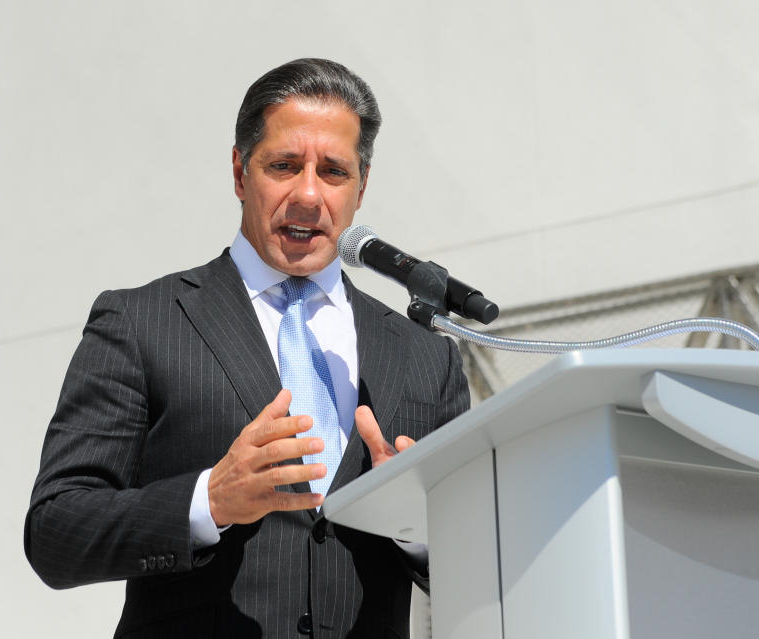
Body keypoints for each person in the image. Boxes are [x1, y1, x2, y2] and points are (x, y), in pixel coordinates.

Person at [25, 58, 469, 638]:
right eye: (284, 166)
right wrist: (210, 500)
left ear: (362, 188)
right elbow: (56, 532)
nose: (308, 194)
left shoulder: (424, 355)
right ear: (240, 173)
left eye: (333, 172)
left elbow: (481, 554)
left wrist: (418, 525)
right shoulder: (141, 322)